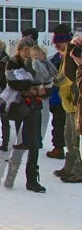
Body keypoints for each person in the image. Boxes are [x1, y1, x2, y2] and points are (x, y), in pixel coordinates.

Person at [3, 37, 46, 192]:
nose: (28, 53)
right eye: (25, 50)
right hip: (19, 107)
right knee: (20, 145)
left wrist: (39, 87)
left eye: (30, 49)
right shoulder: (12, 63)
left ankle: (32, 179)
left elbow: (45, 79)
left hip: (34, 106)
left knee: (34, 143)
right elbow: (12, 82)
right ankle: (10, 176)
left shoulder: (36, 63)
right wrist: (31, 86)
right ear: (19, 50)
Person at [54, 32, 82, 183]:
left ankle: (78, 170)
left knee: (75, 140)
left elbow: (70, 78)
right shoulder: (64, 58)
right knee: (68, 138)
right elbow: (63, 76)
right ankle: (70, 167)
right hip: (68, 104)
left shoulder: (72, 58)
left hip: (75, 104)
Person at [46, 24, 72, 159]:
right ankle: (59, 148)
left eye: (59, 43)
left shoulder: (73, 56)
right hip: (58, 97)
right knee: (58, 124)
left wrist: (54, 81)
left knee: (68, 128)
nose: (56, 46)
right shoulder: (57, 57)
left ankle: (64, 151)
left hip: (69, 97)